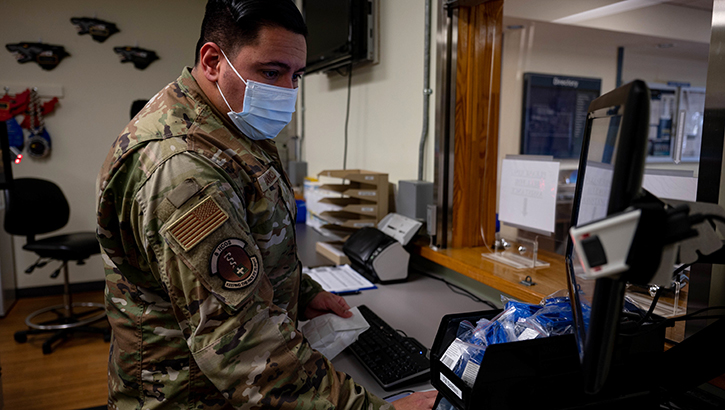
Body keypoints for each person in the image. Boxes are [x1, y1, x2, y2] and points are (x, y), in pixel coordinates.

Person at [96, 0, 438, 409]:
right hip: (187, 393)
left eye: (296, 76)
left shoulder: (226, 121)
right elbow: (244, 343)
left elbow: (246, 249)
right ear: (212, 61)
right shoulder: (183, 171)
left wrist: (303, 292)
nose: (286, 91)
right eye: (271, 72)